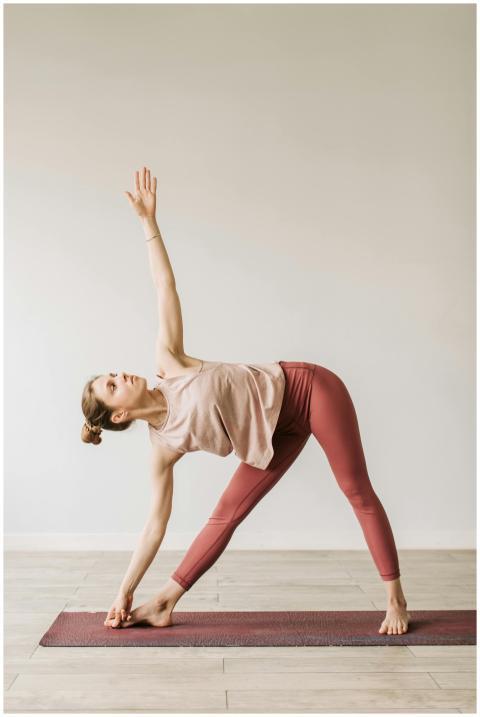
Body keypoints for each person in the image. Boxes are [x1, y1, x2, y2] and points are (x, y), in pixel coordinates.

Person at [81, 166, 410, 636]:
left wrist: (149, 224)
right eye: (112, 386)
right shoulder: (162, 448)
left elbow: (164, 288)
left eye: (112, 373)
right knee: (225, 515)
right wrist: (124, 589)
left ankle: (396, 598)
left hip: (308, 390)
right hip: (273, 436)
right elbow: (154, 527)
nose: (120, 375)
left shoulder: (168, 362)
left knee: (356, 490)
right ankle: (163, 602)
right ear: (119, 415)